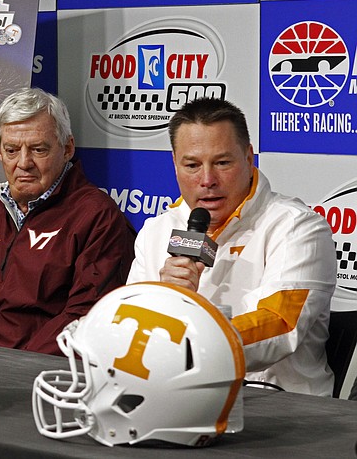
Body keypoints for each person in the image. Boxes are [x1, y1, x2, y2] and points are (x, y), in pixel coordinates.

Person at [127, 97, 336, 396]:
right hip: (176, 399)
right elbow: (130, 329)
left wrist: (187, 348)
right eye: (192, 165)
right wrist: (164, 299)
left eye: (223, 162)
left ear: (249, 158)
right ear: (174, 164)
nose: (207, 180)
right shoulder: (156, 230)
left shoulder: (297, 226)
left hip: (280, 410)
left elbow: (280, 325)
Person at [0, 87, 136, 355]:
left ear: (67, 148)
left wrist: (16, 369)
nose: (23, 163)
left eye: (38, 149)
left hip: (39, 378)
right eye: (11, 150)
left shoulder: (98, 217)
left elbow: (86, 318)